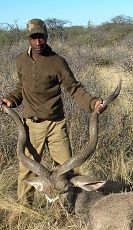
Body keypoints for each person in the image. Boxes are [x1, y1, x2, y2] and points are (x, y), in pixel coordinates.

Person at [0, 18, 106, 206]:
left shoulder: (57, 62)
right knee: (27, 170)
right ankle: (23, 210)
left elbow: (74, 88)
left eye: (41, 37)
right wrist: (10, 99)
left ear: (47, 37)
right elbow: (21, 87)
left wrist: (92, 103)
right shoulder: (21, 60)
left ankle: (73, 207)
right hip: (32, 126)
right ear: (28, 38)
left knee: (67, 169)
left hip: (56, 125)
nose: (38, 42)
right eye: (34, 38)